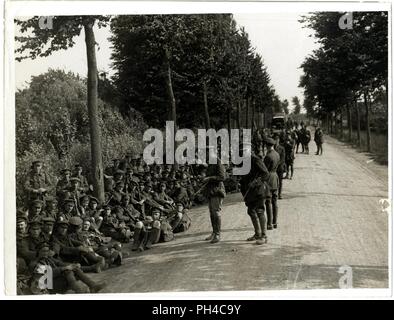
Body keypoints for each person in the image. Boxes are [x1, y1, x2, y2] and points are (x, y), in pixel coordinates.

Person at [240, 143, 270, 245]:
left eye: (245, 150)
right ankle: (257, 234)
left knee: (260, 211)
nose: (243, 152)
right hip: (249, 192)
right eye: (242, 150)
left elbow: (266, 173)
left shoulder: (256, 160)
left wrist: (256, 182)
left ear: (250, 150)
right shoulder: (244, 160)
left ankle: (264, 236)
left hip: (258, 191)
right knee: (251, 211)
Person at [203, 146, 226, 244]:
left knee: (216, 212)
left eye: (208, 152)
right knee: (212, 213)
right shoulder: (211, 163)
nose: (206, 154)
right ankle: (214, 232)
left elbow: (222, 177)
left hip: (217, 191)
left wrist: (209, 178)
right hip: (211, 191)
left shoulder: (218, 162)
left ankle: (217, 234)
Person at [264, 137, 280, 230]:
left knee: (268, 201)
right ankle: (275, 222)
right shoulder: (277, 154)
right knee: (275, 201)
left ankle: (269, 224)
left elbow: (264, 170)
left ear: (267, 146)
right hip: (275, 177)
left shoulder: (268, 156)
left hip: (269, 179)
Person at [274, 134, 286, 199]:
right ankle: (274, 193)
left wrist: (277, 164)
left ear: (278, 140)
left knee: (280, 181)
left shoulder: (282, 148)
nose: (276, 141)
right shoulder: (272, 148)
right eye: (275, 140)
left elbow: (282, 159)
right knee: (274, 181)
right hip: (273, 168)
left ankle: (280, 193)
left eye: (277, 140)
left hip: (279, 167)